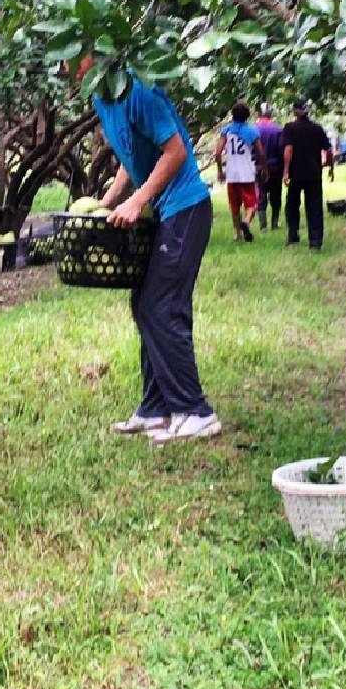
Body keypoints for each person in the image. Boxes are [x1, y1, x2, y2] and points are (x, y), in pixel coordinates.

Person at [76, 58, 220, 444]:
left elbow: (174, 152)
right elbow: (131, 154)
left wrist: (137, 201)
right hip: (166, 212)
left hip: (186, 207)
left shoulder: (138, 90)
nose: (66, 64)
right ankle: (156, 408)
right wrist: (107, 201)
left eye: (74, 55)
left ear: (98, 52)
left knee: (161, 306)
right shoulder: (101, 96)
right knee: (145, 304)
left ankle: (195, 410)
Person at [281, 100, 334, 250]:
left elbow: (288, 150)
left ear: (295, 112)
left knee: (292, 205)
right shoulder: (317, 128)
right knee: (314, 207)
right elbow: (328, 150)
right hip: (314, 173)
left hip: (296, 173)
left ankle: (293, 235)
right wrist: (331, 168)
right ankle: (315, 242)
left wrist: (285, 171)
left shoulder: (290, 128)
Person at [214, 101, 265, 242]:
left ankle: (238, 234)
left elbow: (217, 153)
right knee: (252, 204)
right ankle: (247, 222)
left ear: (233, 115)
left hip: (232, 174)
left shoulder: (226, 131)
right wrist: (265, 168)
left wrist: (220, 171)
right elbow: (261, 153)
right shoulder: (252, 131)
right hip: (247, 173)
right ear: (247, 116)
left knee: (235, 206)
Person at [254, 104, 284, 232]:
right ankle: (275, 223)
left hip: (258, 167)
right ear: (270, 114)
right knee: (275, 195)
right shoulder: (278, 130)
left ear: (258, 114)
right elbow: (282, 150)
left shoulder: (254, 130)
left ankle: (263, 226)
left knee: (261, 194)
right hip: (275, 167)